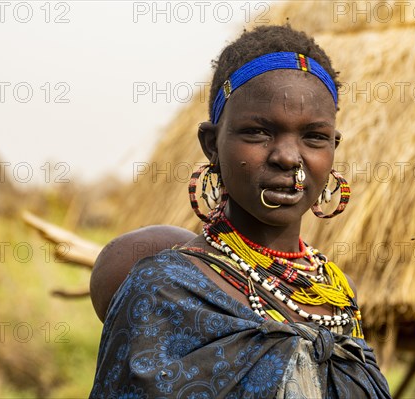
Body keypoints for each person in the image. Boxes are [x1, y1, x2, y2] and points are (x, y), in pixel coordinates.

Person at [90, 25, 391, 398]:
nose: (287, 157)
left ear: (333, 147)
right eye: (258, 133)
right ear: (212, 144)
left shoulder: (337, 296)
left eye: (314, 137)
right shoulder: (165, 291)